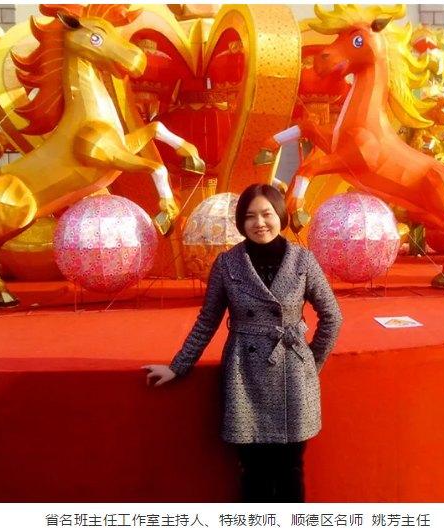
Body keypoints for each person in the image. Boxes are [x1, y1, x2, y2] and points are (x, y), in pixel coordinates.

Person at [144, 184, 343, 502]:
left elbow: (332, 316)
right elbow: (207, 321)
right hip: (244, 375)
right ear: (240, 222)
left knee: (291, 469)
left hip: (293, 376)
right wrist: (177, 367)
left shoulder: (303, 261)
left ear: (281, 216)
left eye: (267, 214)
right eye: (250, 216)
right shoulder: (227, 264)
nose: (259, 223)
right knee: (253, 471)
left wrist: (309, 364)